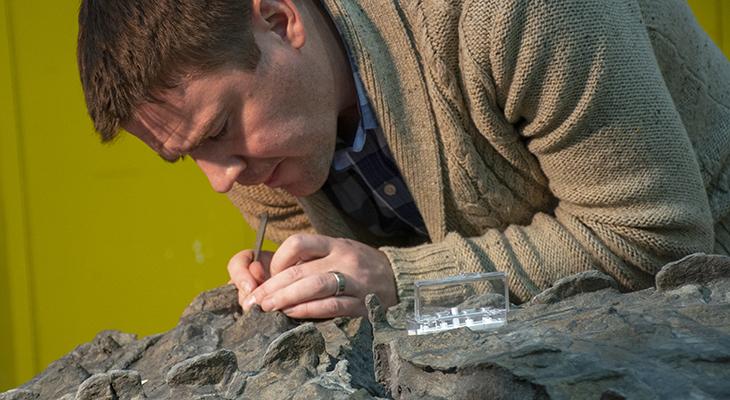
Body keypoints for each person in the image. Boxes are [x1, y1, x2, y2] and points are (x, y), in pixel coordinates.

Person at [77, 0, 730, 319]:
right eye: (187, 155)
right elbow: (451, 313)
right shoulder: (262, 149)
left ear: (279, 21)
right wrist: (311, 286)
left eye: (220, 129)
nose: (221, 179)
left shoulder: (509, 13)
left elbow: (656, 246)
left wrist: (402, 283)